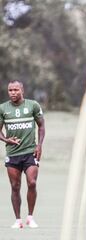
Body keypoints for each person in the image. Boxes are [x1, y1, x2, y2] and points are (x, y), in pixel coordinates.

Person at [0, 80, 45, 229]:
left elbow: (41, 126)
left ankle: (30, 217)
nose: (13, 92)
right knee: (15, 186)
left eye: (15, 90)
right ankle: (18, 220)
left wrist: (39, 145)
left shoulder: (33, 105)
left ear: (22, 90)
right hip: (12, 154)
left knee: (32, 183)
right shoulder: (3, 108)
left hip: (30, 152)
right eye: (10, 90)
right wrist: (7, 139)